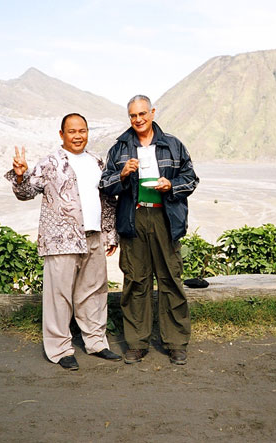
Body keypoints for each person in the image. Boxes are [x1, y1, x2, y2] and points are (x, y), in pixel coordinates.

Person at [5, 113, 122, 370]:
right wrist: (21, 175)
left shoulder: (97, 161)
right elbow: (25, 194)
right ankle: (60, 349)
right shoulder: (49, 163)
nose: (78, 136)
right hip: (61, 240)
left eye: (82, 130)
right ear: (62, 134)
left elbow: (108, 201)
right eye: (72, 131)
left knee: (94, 292)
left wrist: (110, 234)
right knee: (59, 296)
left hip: (93, 237)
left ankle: (96, 342)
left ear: (87, 132)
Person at [100, 95, 199, 365]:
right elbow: (105, 185)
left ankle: (176, 342)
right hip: (134, 217)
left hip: (165, 217)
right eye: (133, 116)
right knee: (135, 280)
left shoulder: (173, 145)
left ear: (152, 112)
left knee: (170, 279)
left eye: (143, 114)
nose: (138, 120)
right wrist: (121, 175)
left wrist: (171, 186)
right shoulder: (119, 148)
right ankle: (136, 343)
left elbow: (191, 178)